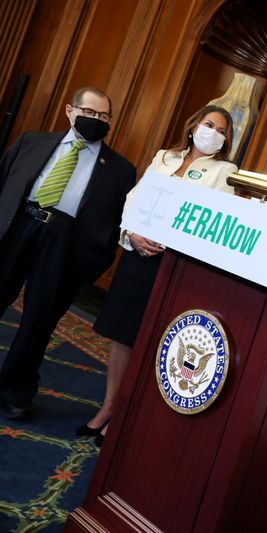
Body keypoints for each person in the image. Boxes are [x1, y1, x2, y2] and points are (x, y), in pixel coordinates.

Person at [76, 105, 237, 443]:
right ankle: (108, 406)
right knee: (122, 336)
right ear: (193, 126)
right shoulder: (165, 158)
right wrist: (131, 233)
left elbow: (214, 218)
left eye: (222, 130)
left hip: (174, 265)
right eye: (209, 124)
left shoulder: (225, 171)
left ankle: (126, 417)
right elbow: (135, 200)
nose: (214, 133)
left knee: (154, 339)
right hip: (138, 256)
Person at [0, 87, 136, 420]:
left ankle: (15, 390)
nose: (97, 120)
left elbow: (117, 219)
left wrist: (91, 260)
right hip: (20, 225)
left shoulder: (120, 170)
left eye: (104, 116)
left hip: (64, 243)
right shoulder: (32, 142)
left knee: (39, 320)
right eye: (90, 113)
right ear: (70, 110)